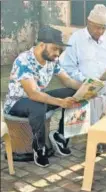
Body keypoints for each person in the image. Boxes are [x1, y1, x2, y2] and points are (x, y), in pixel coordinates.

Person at [3, 26, 82, 168]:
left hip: (38, 99)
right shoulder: (24, 61)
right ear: (41, 45)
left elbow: (68, 81)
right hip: (17, 103)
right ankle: (39, 147)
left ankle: (61, 136)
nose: (57, 53)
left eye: (60, 50)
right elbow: (33, 93)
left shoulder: (52, 60)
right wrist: (60, 102)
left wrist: (87, 88)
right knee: (37, 102)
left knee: (74, 93)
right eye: (55, 49)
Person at [60, 4, 106, 125]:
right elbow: (69, 68)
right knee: (93, 98)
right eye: (97, 27)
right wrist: (86, 80)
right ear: (88, 22)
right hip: (85, 84)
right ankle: (95, 136)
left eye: (103, 28)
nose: (100, 31)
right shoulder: (77, 38)